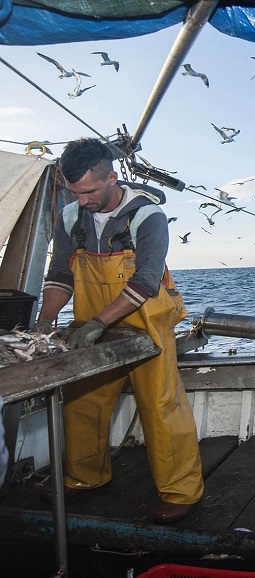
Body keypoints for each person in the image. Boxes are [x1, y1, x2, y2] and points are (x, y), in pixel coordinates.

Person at [34, 138, 203, 523]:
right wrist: (45, 322)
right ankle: (84, 478)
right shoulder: (70, 217)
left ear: (112, 177)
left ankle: (181, 492)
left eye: (90, 191)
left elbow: (145, 282)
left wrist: (98, 323)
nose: (84, 200)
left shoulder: (147, 217)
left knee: (160, 407)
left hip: (146, 321)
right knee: (81, 402)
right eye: (75, 193)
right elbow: (60, 275)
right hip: (91, 323)